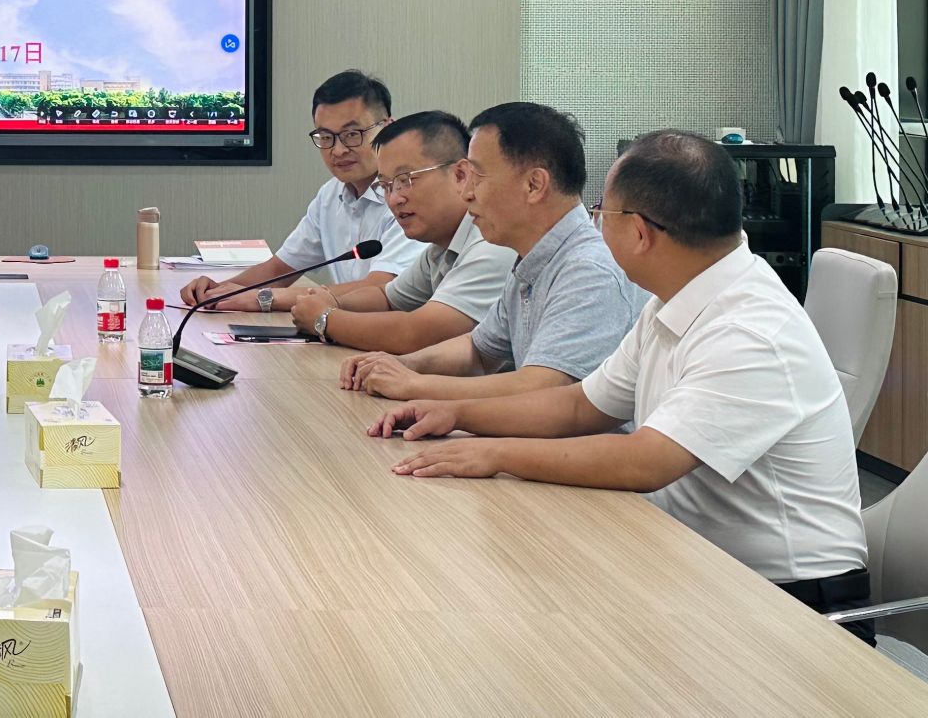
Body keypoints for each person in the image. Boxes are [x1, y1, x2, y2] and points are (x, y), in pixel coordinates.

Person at [369, 131, 872, 640]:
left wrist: (493, 454)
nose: (595, 223)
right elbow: (581, 405)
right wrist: (456, 415)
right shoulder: (676, 298)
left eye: (602, 212)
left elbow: (646, 461)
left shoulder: (750, 330)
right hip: (697, 564)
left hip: (791, 606)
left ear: (639, 232)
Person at [342, 102, 645, 400]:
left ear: (534, 185)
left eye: (477, 177)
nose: (466, 193)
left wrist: (414, 385)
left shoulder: (589, 271)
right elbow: (477, 350)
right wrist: (404, 364)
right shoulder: (531, 259)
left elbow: (544, 389)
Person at [181, 70, 425, 314]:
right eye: (326, 137)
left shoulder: (407, 198)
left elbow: (379, 289)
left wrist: (264, 298)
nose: (338, 150)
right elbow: (280, 269)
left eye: (352, 134)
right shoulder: (331, 195)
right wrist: (216, 292)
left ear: (388, 129)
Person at [287, 111, 514, 352]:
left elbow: (416, 334)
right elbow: (387, 298)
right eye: (386, 185)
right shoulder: (440, 247)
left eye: (406, 180)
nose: (394, 199)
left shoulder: (491, 245)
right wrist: (333, 302)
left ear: (460, 175)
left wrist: (325, 319)